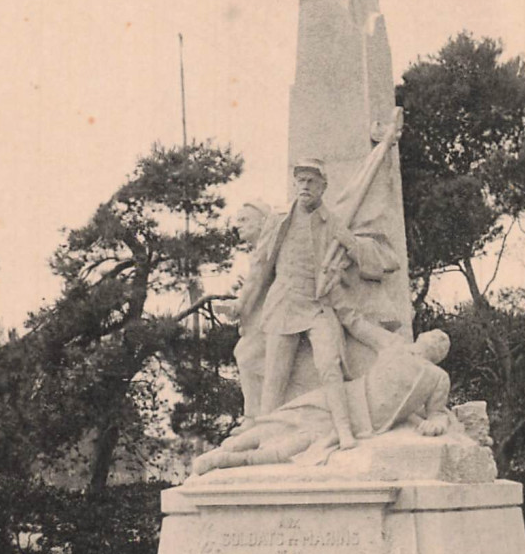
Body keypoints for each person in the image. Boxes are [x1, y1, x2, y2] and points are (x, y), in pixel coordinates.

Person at [238, 158, 399, 449]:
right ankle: (263, 439)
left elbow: (374, 263)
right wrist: (242, 305)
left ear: (324, 186)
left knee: (330, 365)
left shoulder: (333, 222)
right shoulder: (279, 219)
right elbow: (260, 267)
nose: (305, 185)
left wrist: (348, 241)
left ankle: (343, 430)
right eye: (301, 180)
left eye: (312, 180)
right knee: (275, 377)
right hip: (284, 304)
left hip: (319, 306)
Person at [191, 329, 453, 475]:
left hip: (362, 422)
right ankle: (229, 447)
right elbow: (357, 321)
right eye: (434, 336)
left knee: (294, 447)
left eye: (442, 345)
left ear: (440, 357)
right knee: (284, 418)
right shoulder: (394, 344)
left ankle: (225, 462)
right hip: (344, 395)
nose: (438, 341)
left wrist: (436, 424)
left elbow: (437, 413)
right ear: (420, 336)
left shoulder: (438, 377)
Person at [211, 200, 271, 421]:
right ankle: (257, 415)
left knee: (246, 355)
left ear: (263, 222)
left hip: (272, 317)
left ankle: (256, 416)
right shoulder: (260, 249)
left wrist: (238, 305)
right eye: (238, 221)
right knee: (246, 356)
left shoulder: (266, 248)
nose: (238, 225)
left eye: (245, 220)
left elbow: (256, 281)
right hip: (261, 317)